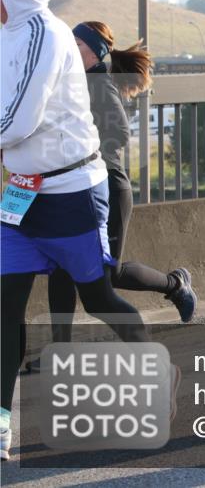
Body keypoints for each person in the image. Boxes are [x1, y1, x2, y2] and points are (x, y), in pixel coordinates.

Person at [0, 0, 173, 462]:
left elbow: (21, 119)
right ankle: (2, 424)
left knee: (98, 297)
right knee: (5, 308)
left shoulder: (46, 36)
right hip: (21, 193)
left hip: (70, 191)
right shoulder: (7, 35)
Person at [44, 20, 196, 347]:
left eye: (78, 44)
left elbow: (120, 133)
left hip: (108, 187)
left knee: (108, 275)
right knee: (61, 267)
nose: (71, 49)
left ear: (95, 52)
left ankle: (175, 284)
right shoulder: (75, 81)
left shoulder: (99, 83)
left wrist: (83, 151)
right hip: (76, 188)